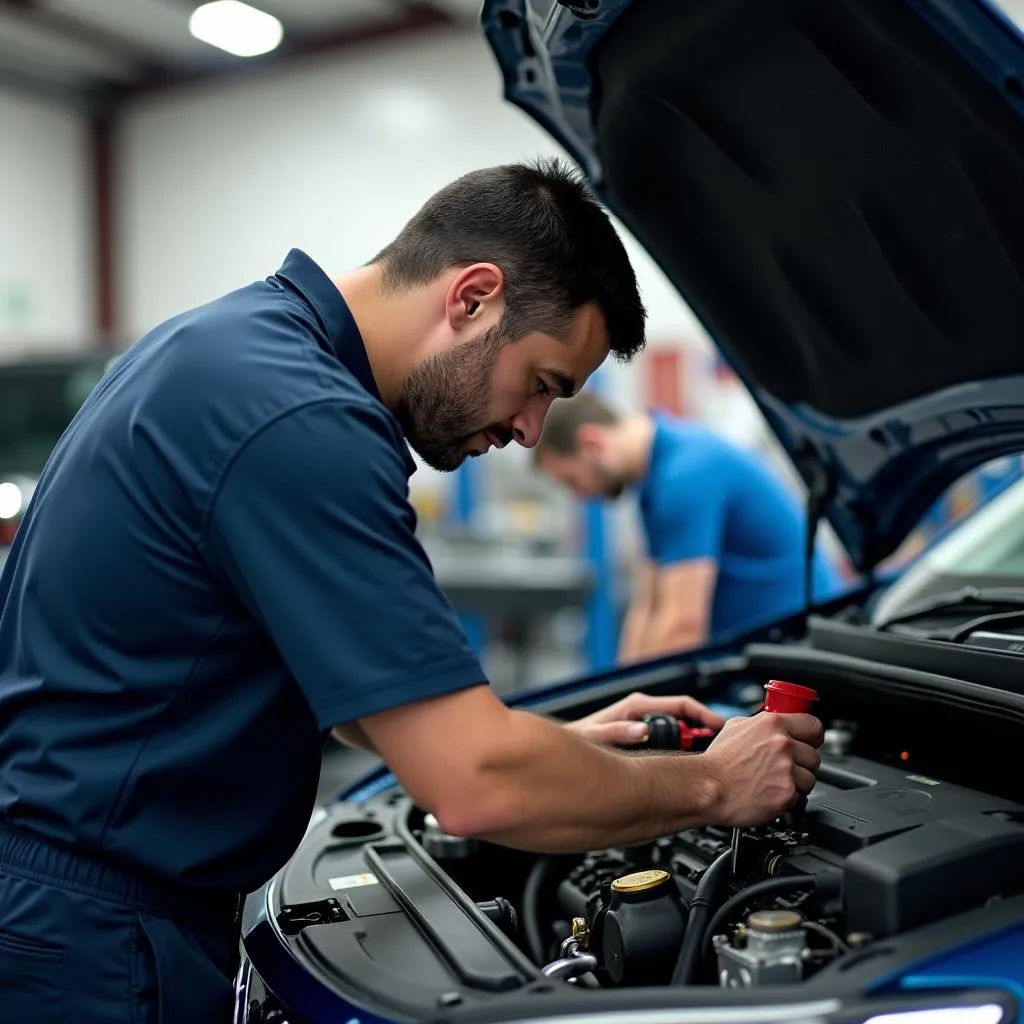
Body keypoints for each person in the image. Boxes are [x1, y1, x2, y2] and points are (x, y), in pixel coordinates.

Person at [0, 159, 822, 1022]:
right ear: (472, 296)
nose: (530, 432)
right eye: (541, 384)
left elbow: (359, 700)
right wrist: (715, 786)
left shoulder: (238, 348)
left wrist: (543, 748)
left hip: (85, 908)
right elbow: (473, 788)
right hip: (94, 939)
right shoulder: (299, 418)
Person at [534, 392, 845, 662]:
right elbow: (648, 607)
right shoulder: (653, 477)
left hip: (806, 648)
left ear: (593, 443)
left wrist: (640, 713)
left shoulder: (685, 475)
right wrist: (618, 701)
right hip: (764, 650)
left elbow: (683, 626)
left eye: (572, 481)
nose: (580, 496)